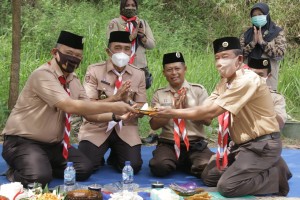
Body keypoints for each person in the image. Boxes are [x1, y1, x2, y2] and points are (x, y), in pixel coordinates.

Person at [153, 37, 291, 197]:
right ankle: (266, 165)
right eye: (217, 58)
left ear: (239, 59)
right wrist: (173, 110)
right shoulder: (224, 82)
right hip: (242, 145)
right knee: (209, 177)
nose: (220, 62)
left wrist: (171, 112)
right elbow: (206, 107)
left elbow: (210, 113)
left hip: (261, 145)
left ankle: (276, 177)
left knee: (227, 187)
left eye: (225, 57)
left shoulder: (246, 80)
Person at [1, 30, 135, 187]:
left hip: (55, 146)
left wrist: (116, 116)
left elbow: (90, 113)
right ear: (55, 52)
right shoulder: (43, 75)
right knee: (38, 178)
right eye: (69, 53)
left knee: (84, 169)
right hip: (23, 142)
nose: (73, 58)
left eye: (78, 56)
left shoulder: (73, 80)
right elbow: (69, 105)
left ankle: (40, 164)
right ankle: (19, 170)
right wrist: (114, 105)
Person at [78, 31, 146, 174]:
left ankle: (116, 155)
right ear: (108, 51)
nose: (122, 52)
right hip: (97, 126)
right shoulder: (94, 70)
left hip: (126, 127)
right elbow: (88, 106)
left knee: (132, 167)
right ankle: (99, 155)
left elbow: (141, 109)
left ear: (131, 52)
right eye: (117, 48)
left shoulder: (138, 74)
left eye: (127, 48)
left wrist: (128, 100)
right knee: (85, 167)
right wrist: (115, 98)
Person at [148, 52, 214, 177]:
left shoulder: (198, 91)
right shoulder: (159, 94)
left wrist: (187, 109)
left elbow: (208, 120)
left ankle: (184, 163)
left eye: (177, 68)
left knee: (207, 167)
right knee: (158, 167)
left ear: (185, 69)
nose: (174, 73)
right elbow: (154, 125)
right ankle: (183, 163)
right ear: (164, 73)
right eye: (169, 70)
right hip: (169, 143)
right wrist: (171, 110)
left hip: (195, 143)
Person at [107, 0, 155, 89]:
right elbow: (111, 43)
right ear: (122, 6)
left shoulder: (142, 23)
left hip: (140, 67)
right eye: (127, 5)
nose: (130, 7)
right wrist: (131, 37)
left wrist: (142, 37)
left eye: (133, 5)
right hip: (120, 67)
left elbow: (151, 45)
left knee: (138, 96)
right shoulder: (115, 23)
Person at [240, 2, 287, 91]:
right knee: (248, 99)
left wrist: (262, 43)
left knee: (269, 99)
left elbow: (280, 54)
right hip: (248, 74)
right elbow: (239, 55)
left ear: (267, 14)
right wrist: (252, 43)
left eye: (260, 14)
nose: (257, 17)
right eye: (254, 15)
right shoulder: (247, 34)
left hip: (269, 75)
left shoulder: (277, 32)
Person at [248, 57, 288, 129]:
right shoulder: (239, 94)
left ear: (268, 76)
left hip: (266, 138)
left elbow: (280, 124)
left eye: (261, 74)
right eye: (253, 74)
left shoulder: (276, 98)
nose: (256, 77)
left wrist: (263, 99)